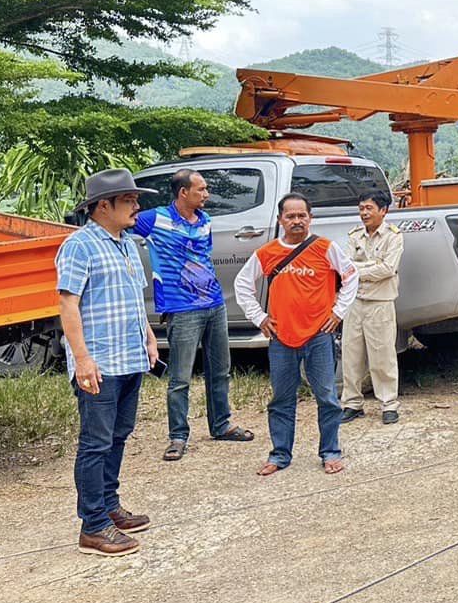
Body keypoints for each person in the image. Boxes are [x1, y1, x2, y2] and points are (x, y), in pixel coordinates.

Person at [56, 168, 159, 557]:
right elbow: (68, 304)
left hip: (130, 357)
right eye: (129, 200)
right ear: (103, 206)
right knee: (96, 443)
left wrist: (149, 338)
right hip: (99, 362)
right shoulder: (79, 246)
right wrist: (81, 359)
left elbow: (135, 300)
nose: (137, 206)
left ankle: (109, 506)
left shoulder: (128, 244)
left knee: (118, 436)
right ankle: (93, 526)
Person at [132, 169, 254, 461]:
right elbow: (122, 227)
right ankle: (177, 436)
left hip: (213, 304)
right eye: (201, 189)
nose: (207, 194)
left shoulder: (206, 221)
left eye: (206, 189)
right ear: (183, 192)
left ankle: (221, 424)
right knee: (181, 377)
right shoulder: (155, 219)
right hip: (181, 308)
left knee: (220, 370)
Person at [233, 193, 357, 476]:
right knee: (281, 399)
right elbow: (242, 284)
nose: (297, 221)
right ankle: (279, 455)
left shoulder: (325, 248)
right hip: (281, 338)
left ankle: (330, 452)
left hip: (319, 336)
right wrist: (259, 317)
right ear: (280, 220)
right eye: (291, 216)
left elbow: (352, 277)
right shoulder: (266, 253)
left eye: (302, 215)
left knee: (326, 396)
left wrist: (338, 312)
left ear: (310, 218)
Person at [341, 192, 405, 425]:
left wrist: (358, 271)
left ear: (383, 210)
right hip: (355, 302)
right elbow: (345, 267)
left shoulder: (393, 236)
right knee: (351, 355)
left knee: (382, 356)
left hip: (381, 302)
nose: (364, 213)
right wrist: (369, 268)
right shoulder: (354, 235)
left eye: (369, 208)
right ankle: (352, 404)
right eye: (361, 208)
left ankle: (388, 404)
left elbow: (388, 269)